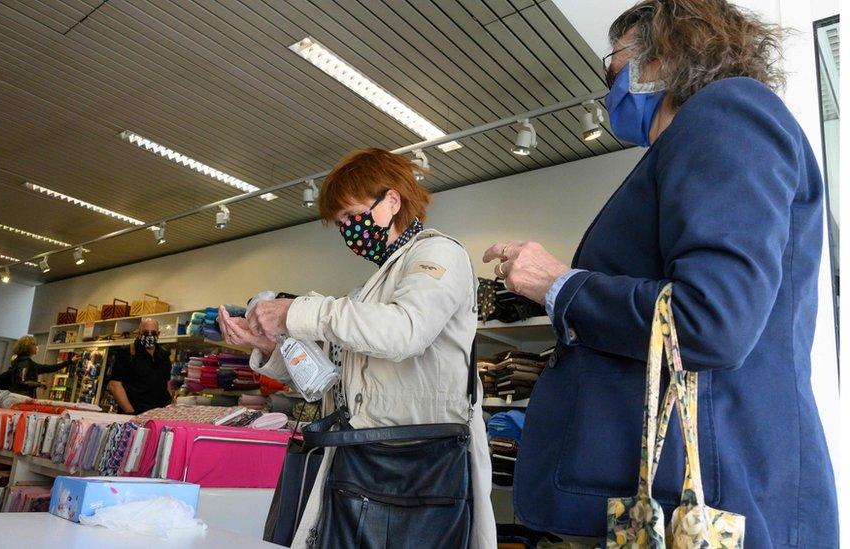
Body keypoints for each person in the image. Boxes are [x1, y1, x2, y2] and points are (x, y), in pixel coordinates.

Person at [483, 1, 838, 546]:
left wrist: (559, 284)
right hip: (688, 497)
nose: (609, 82)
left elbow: (711, 320)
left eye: (615, 63)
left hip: (704, 503)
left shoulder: (729, 113)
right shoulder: (698, 138)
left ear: (663, 56)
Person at [218, 148, 497, 548]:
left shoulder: (440, 253)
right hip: (365, 461)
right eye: (341, 223)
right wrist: (271, 343)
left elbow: (406, 331)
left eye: (351, 216)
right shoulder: (371, 290)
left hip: (417, 466)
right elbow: (330, 379)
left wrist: (298, 311)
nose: (348, 229)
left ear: (392, 201)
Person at [108, 318, 174, 415]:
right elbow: (115, 385)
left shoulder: (164, 355)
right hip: (135, 414)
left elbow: (167, 383)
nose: (150, 336)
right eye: (146, 332)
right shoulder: (127, 353)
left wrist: (171, 405)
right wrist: (130, 412)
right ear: (139, 333)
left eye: (153, 333)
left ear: (158, 334)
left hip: (160, 414)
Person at [3, 335, 77, 397]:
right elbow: (21, 382)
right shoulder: (25, 363)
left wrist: (70, 361)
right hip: (22, 398)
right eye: (35, 346)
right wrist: (39, 384)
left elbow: (49, 368)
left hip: (20, 397)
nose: (37, 348)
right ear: (30, 347)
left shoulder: (22, 362)